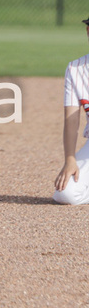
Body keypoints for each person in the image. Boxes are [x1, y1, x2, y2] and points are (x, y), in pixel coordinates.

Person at [53, 16, 89, 205]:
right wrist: (70, 160)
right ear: (88, 32)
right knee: (65, 194)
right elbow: (71, 121)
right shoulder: (76, 69)